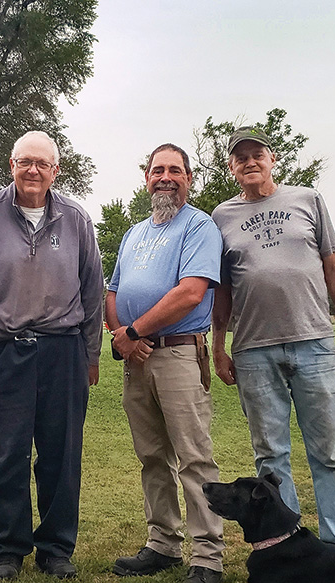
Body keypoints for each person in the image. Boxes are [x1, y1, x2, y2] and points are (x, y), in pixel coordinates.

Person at [0, 131, 103, 580]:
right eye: (24, 162)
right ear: (10, 166)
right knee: (2, 455)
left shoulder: (76, 220)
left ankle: (55, 548)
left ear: (56, 170)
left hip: (62, 352)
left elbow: (92, 290)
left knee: (61, 453)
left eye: (42, 164)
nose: (33, 171)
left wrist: (89, 354)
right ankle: (7, 549)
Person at [211, 126, 335, 552]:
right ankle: (287, 548)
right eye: (240, 157)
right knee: (270, 458)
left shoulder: (307, 200)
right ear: (232, 167)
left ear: (272, 158)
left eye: (256, 153)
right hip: (253, 351)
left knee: (329, 456)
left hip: (313, 343)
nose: (249, 162)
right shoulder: (221, 217)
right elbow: (222, 289)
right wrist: (219, 347)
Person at [106, 144, 225, 583]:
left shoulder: (199, 226)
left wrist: (133, 332)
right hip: (136, 358)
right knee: (152, 456)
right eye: (158, 170)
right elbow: (113, 290)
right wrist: (122, 336)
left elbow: (191, 291)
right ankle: (162, 544)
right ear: (146, 177)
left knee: (194, 457)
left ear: (188, 179)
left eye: (175, 170)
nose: (166, 177)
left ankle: (208, 555)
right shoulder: (134, 233)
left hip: (177, 352)